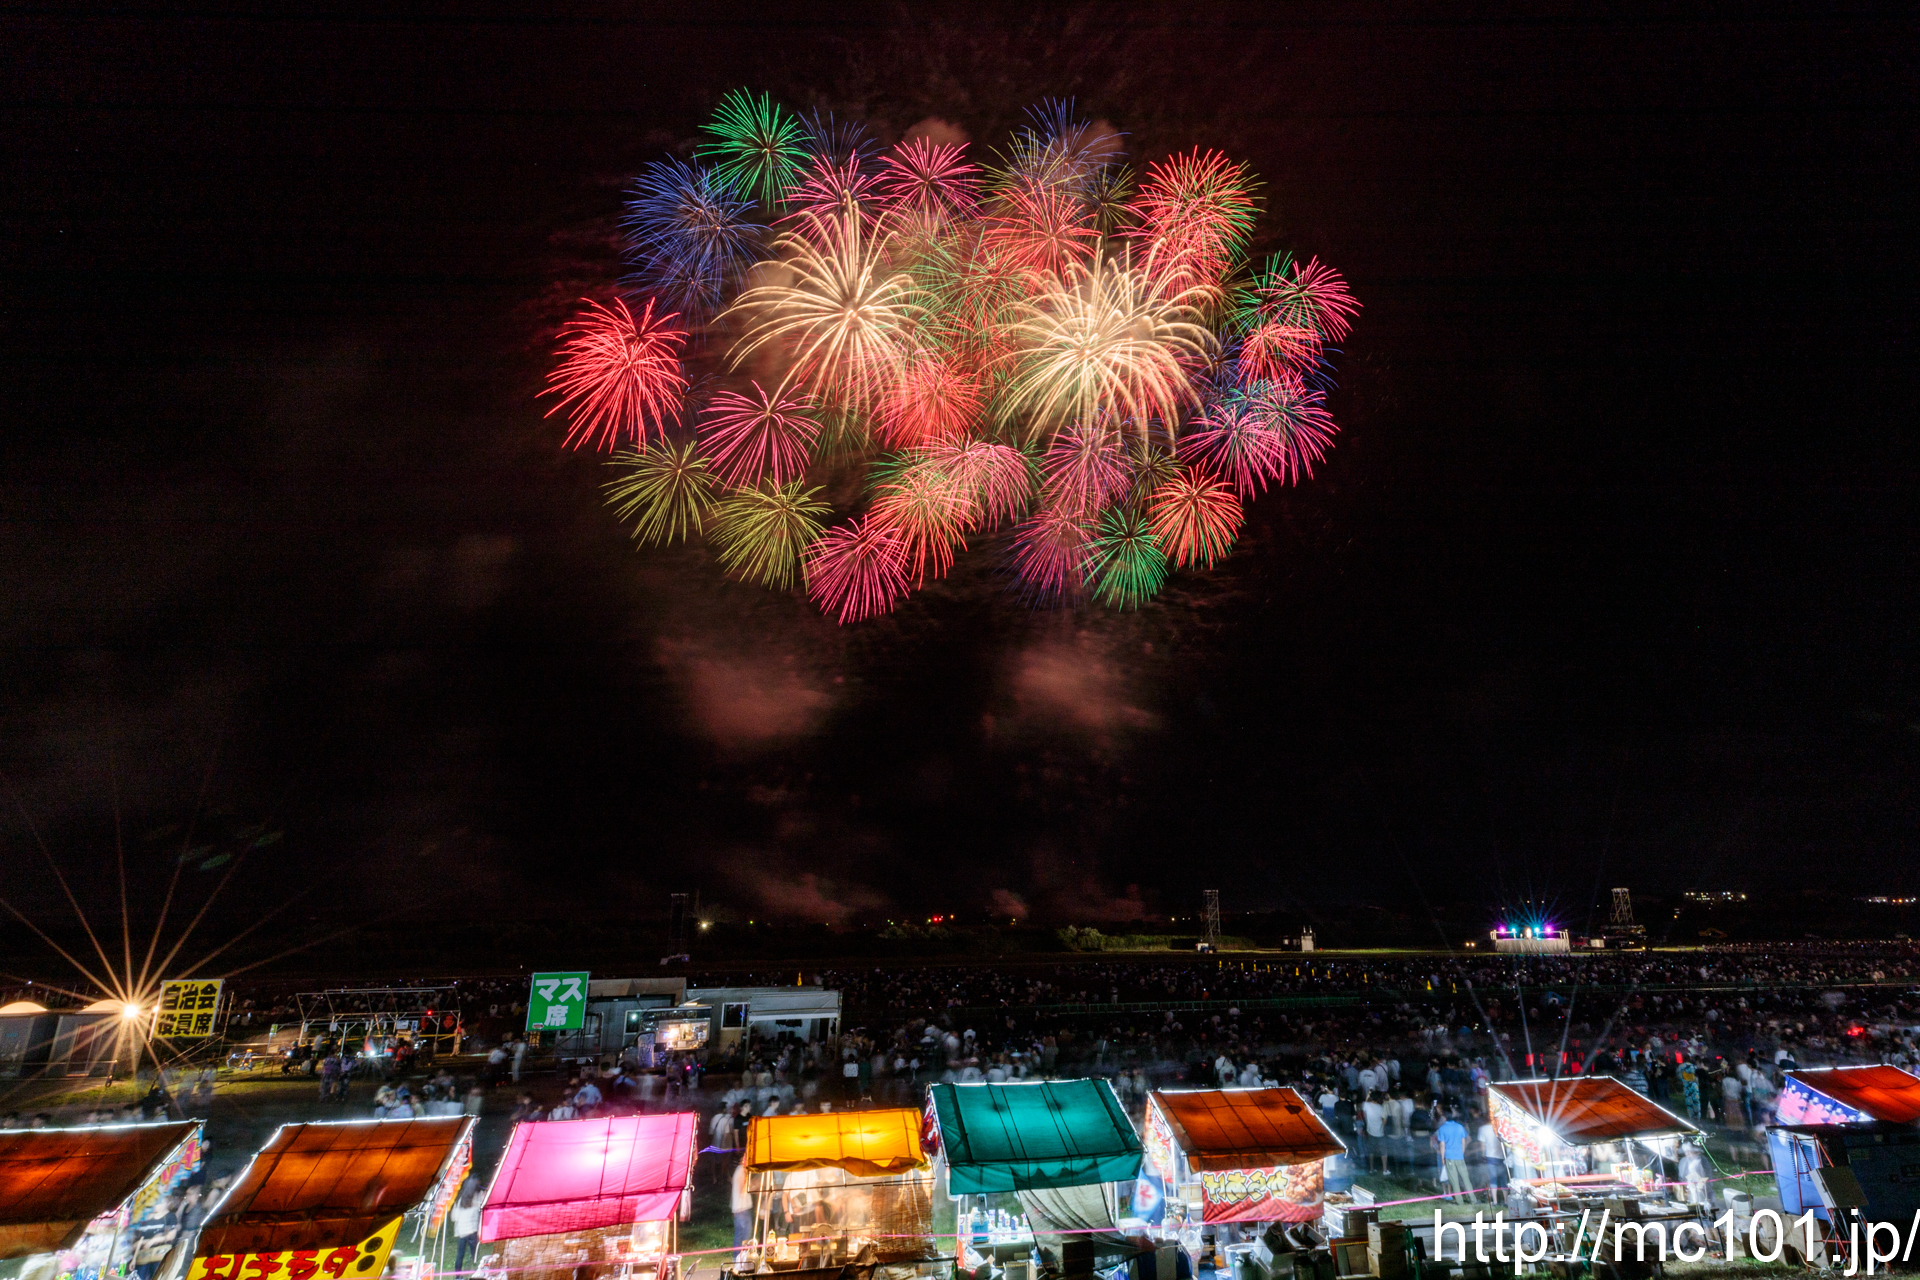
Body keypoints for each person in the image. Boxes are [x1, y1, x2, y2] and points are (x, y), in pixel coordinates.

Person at [1433, 1109, 1476, 1203]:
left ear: (1444, 1117)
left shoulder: (1442, 1128)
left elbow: (1442, 1145)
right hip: (1459, 1156)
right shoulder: (1459, 1127)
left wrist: (1442, 1158)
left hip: (1449, 1156)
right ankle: (1473, 1199)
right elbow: (1463, 1141)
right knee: (1466, 1178)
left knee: (1454, 1180)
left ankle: (1460, 1201)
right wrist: (1462, 1153)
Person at [450, 1181, 483, 1273]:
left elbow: (454, 1218)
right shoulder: (477, 1198)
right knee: (475, 1255)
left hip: (462, 1232)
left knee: (460, 1255)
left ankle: (457, 1277)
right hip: (472, 1231)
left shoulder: (460, 1200)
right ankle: (478, 1273)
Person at [731, 1160, 754, 1248]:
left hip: (739, 1208)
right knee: (745, 1235)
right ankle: (742, 1254)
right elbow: (742, 1190)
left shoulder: (739, 1170)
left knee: (739, 1234)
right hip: (742, 1208)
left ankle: (737, 1255)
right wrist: (753, 1186)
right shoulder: (742, 1171)